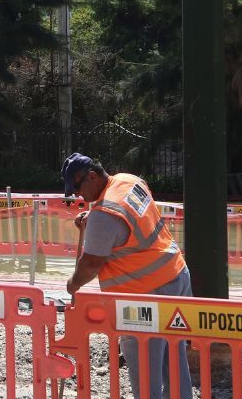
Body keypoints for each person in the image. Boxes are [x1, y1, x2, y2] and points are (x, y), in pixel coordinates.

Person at [61, 152, 192, 399]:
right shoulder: (128, 180)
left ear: (91, 177)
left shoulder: (104, 215)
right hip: (177, 276)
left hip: (144, 296)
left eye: (77, 188)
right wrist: (95, 218)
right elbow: (132, 218)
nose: (78, 196)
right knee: (174, 361)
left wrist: (72, 284)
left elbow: (89, 264)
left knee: (145, 375)